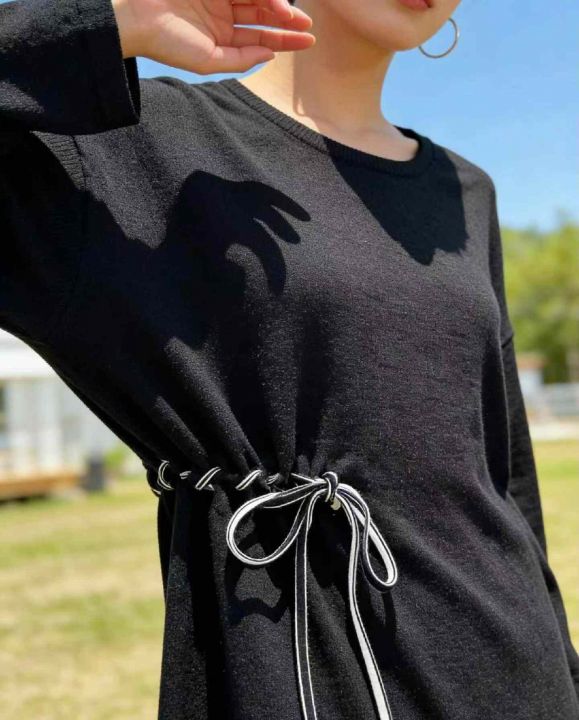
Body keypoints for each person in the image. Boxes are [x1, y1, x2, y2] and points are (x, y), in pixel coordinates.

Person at [1, 0, 578, 718]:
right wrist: (105, 19)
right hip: (296, 671)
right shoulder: (128, 145)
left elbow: (503, 473)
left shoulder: (466, 192)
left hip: (520, 671)